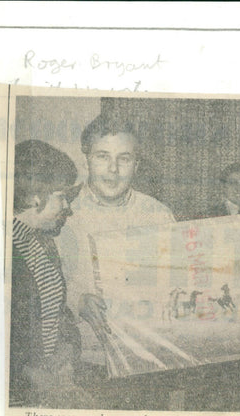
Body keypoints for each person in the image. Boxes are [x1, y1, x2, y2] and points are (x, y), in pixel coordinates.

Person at [56, 113, 175, 366]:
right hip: (84, 359)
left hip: (148, 358)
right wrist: (77, 301)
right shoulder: (60, 214)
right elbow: (34, 287)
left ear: (137, 165)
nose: (113, 169)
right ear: (86, 160)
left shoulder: (159, 215)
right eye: (102, 156)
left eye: (124, 158)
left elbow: (177, 284)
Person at [9, 140, 92, 408]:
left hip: (52, 382)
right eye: (62, 197)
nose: (68, 207)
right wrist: (34, 377)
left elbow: (57, 311)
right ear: (35, 196)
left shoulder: (43, 241)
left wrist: (67, 353)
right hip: (20, 393)